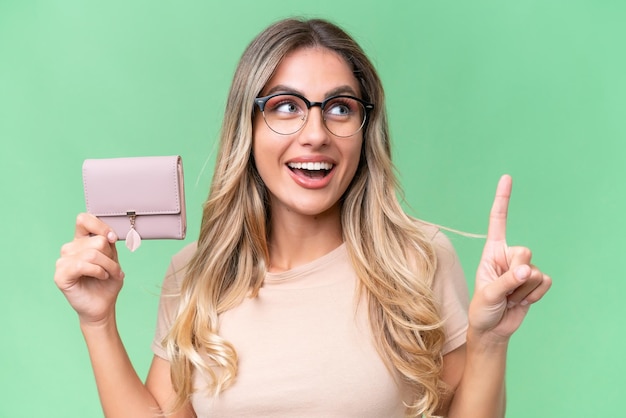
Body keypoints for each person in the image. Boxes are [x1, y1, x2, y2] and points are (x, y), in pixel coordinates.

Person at [54, 18, 551, 418]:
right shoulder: (196, 274)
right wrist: (97, 321)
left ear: (363, 129)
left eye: (338, 107)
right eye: (286, 106)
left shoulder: (417, 260)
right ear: (247, 128)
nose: (315, 133)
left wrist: (489, 342)